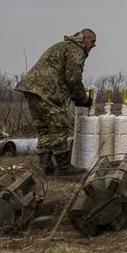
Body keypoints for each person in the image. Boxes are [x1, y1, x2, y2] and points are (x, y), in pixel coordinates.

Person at [16, 29, 96, 175]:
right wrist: (82, 99)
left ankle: (46, 164)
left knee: (43, 126)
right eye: (92, 41)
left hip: (32, 87)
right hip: (48, 88)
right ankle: (63, 166)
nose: (94, 45)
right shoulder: (76, 50)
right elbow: (73, 78)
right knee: (59, 124)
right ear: (84, 39)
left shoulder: (64, 46)